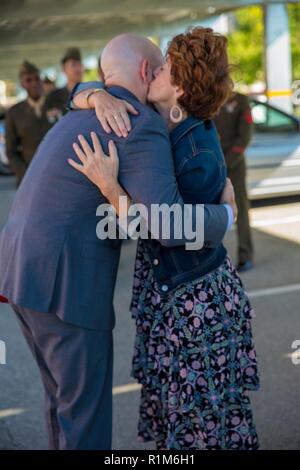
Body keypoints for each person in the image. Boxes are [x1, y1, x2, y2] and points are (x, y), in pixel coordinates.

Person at [0, 34, 235, 450]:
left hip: (21, 276)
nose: (160, 70)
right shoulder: (138, 123)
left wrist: (91, 99)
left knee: (60, 402)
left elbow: (148, 223)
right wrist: (228, 216)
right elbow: (167, 225)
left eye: (168, 66)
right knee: (83, 416)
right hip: (65, 289)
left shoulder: (81, 115)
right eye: (158, 65)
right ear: (146, 73)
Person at [71, 28, 259, 450]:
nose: (151, 71)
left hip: (196, 306)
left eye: (163, 67)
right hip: (170, 296)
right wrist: (98, 96)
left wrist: (110, 187)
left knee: (199, 425)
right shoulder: (165, 121)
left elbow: (166, 229)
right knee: (175, 417)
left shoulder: (200, 154)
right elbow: (86, 87)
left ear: (181, 84)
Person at [214, 92, 254, 272]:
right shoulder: (207, 98)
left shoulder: (240, 101)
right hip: (211, 164)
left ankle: (245, 255)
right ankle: (213, 260)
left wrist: (226, 163)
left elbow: (244, 137)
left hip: (234, 166)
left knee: (241, 212)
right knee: (210, 214)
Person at [5, 61, 52, 186]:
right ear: (22, 84)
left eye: (37, 78)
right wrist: (26, 175)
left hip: (58, 172)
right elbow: (11, 151)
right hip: (29, 178)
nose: (34, 83)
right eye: (28, 80)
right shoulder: (14, 113)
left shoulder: (57, 104)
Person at [45, 47, 84, 117]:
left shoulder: (90, 91)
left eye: (79, 64)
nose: (78, 68)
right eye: (73, 65)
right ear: (64, 69)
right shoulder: (54, 97)